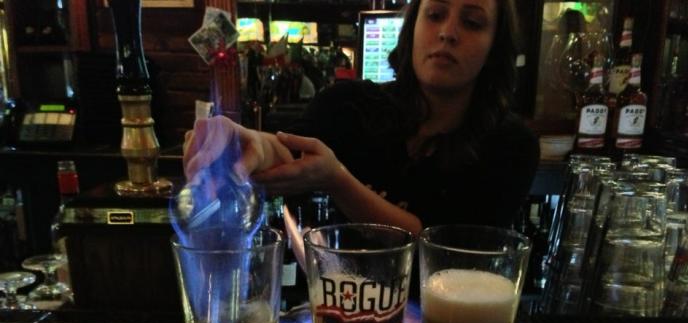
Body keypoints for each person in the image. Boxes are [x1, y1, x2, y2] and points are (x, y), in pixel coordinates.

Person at [183, 0, 539, 237]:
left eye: (472, 22)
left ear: (495, 47)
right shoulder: (350, 104)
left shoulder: (511, 145)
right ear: (413, 27)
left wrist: (339, 181)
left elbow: (440, 250)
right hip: (337, 316)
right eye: (434, 15)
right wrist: (247, 144)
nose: (448, 32)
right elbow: (289, 149)